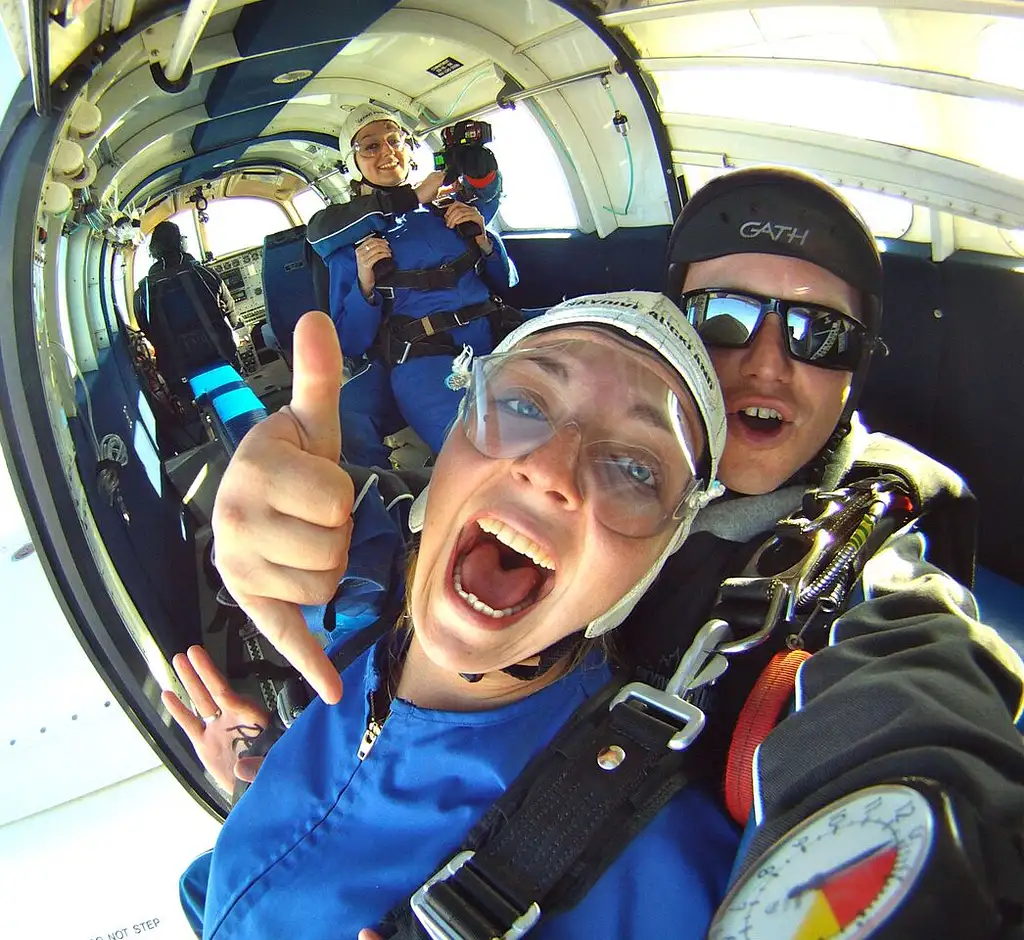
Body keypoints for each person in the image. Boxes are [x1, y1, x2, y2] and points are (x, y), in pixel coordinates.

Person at [201, 168, 1024, 938]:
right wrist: (265, 532)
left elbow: (914, 720)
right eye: (727, 318)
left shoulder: (867, 572)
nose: (766, 363)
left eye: (821, 334)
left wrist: (928, 841)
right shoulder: (462, 521)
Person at [169, 293, 740, 939]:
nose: (549, 469)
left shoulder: (654, 870)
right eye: (523, 406)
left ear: (646, 572)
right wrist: (258, 777)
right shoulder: (363, 643)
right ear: (448, 452)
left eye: (636, 469)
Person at [305, 104, 517, 468]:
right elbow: (351, 343)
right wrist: (364, 287)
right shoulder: (350, 243)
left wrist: (484, 241)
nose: (387, 151)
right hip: (425, 360)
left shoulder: (448, 210)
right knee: (492, 454)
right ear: (353, 164)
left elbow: (507, 281)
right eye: (370, 146)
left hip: (497, 334)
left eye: (394, 140)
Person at [133, 219, 237, 385]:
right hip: (220, 354)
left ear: (154, 249)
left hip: (177, 370)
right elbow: (231, 313)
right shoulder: (205, 274)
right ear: (180, 243)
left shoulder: (143, 292)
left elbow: (148, 330)